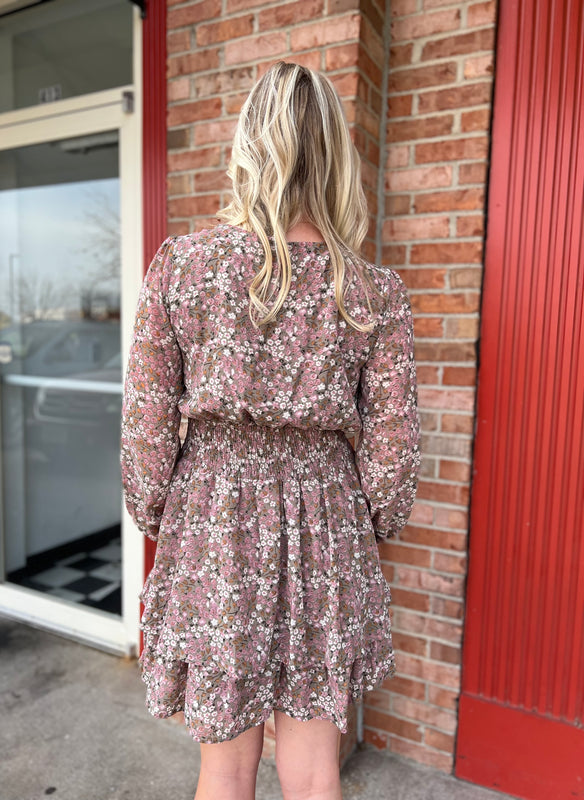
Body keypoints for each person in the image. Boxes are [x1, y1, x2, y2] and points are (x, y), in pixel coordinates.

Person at [120, 61, 420, 800]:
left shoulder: (184, 267)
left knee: (224, 768)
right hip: (328, 524)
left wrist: (162, 514)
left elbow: (146, 425)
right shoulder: (373, 291)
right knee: (316, 771)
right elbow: (394, 450)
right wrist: (371, 520)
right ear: (336, 157)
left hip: (215, 521)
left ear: (250, 145)